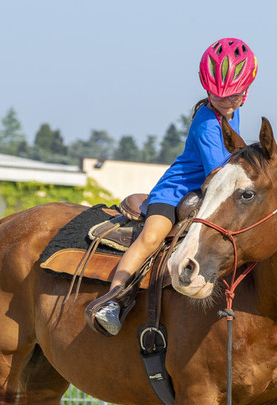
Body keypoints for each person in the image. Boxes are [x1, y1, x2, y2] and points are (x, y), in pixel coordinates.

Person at [85, 37, 258, 335]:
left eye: (234, 96)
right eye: (218, 96)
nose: (226, 102)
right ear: (207, 90)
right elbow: (219, 171)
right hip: (176, 192)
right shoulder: (206, 121)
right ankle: (111, 299)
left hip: (206, 195)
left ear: (245, 93)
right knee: (152, 238)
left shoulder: (233, 111)